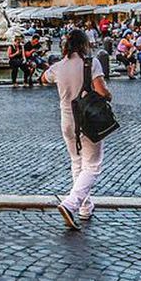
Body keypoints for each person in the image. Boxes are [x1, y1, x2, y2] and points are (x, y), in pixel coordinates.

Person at [42, 29, 109, 230]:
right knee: (93, 165)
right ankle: (71, 203)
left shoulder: (58, 67)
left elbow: (43, 78)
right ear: (84, 44)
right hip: (88, 119)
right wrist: (109, 96)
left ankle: (85, 207)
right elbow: (101, 90)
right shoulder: (91, 63)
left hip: (67, 121)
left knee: (77, 161)